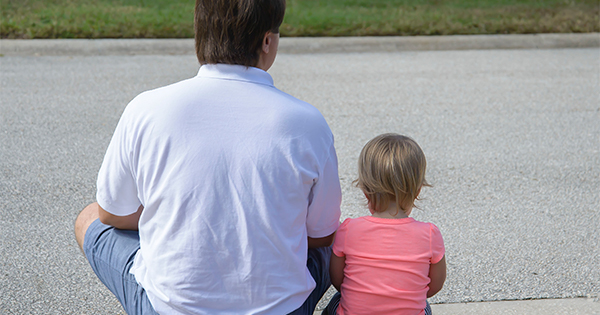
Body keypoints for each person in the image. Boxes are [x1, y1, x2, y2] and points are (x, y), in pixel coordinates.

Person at [74, 0, 342, 314]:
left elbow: (111, 214)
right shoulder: (308, 122)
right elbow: (322, 235)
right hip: (282, 309)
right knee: (345, 238)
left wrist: (166, 214)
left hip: (168, 308)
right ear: (267, 41)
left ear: (200, 36)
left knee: (88, 217)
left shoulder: (145, 109)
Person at [323, 133, 446, 315]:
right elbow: (435, 285)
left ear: (365, 190)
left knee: (337, 300)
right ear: (418, 190)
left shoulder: (349, 229)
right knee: (423, 305)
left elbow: (338, 280)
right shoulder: (430, 234)